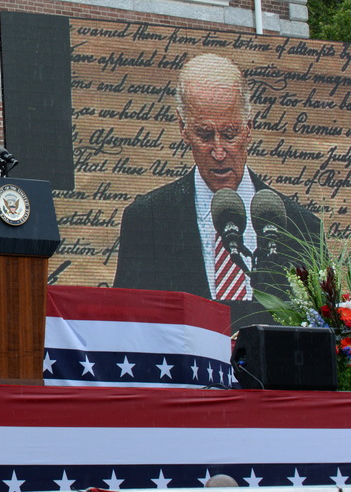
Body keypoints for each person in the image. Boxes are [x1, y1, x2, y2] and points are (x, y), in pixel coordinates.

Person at [113, 54, 321, 326]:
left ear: (249, 127)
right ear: (183, 128)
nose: (219, 151)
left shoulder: (302, 227)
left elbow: (319, 329)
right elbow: (125, 320)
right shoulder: (147, 220)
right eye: (205, 135)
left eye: (230, 134)